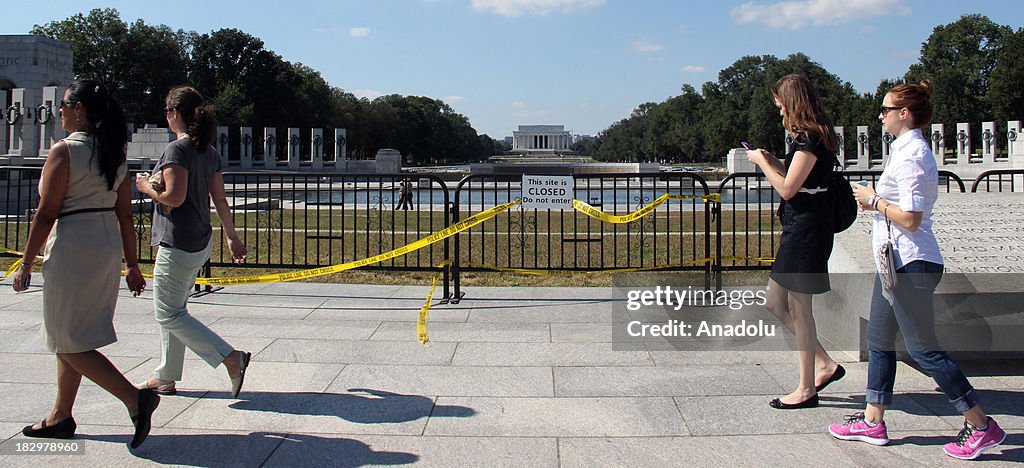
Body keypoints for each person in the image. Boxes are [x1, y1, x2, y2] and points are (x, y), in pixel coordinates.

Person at [829, 81, 1006, 460]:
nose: (880, 115)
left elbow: (910, 218)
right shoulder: (904, 149)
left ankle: (981, 425)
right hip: (894, 262)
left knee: (923, 350)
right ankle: (873, 420)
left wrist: (872, 200)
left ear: (904, 114)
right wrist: (876, 203)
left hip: (911, 263)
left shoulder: (912, 154)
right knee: (878, 339)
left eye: (885, 109)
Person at [11, 79, 158, 448]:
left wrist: (26, 262)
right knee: (72, 332)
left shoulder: (64, 152)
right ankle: (60, 414)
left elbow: (46, 214)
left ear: (79, 109)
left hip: (74, 245)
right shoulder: (114, 153)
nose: (58, 111)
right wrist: (132, 264)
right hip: (104, 243)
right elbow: (125, 216)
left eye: (63, 104)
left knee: (67, 339)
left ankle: (133, 398)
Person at [135, 86, 251, 398]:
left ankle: (231, 358)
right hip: (199, 240)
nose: (165, 116)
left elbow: (174, 196)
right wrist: (232, 237)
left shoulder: (178, 150)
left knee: (168, 312)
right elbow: (221, 199)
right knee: (175, 309)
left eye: (166, 111)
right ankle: (166, 374)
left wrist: (146, 187)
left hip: (178, 241)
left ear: (175, 114)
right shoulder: (209, 151)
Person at [745, 74, 845, 409]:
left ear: (793, 103)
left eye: (780, 105)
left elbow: (788, 188)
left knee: (800, 310)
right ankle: (825, 364)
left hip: (808, 231)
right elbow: (800, 177)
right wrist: (776, 161)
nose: (779, 112)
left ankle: (806, 388)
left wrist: (762, 165)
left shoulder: (811, 138)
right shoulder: (808, 138)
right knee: (775, 302)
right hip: (800, 229)